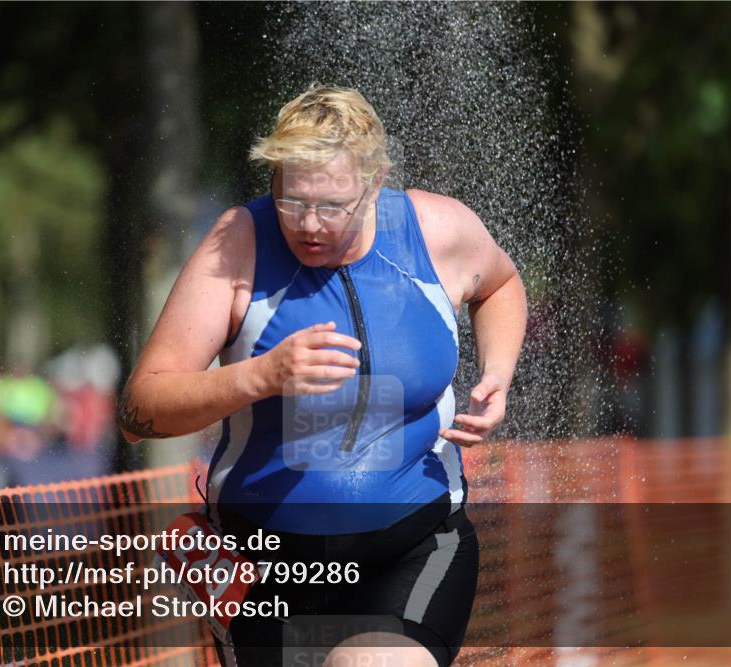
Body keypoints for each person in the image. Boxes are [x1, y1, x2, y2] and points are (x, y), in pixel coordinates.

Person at [119, 84, 527, 667]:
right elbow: (140, 411)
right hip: (268, 567)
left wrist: (499, 374)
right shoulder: (239, 245)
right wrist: (259, 376)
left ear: (376, 181)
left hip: (413, 545)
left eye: (333, 205)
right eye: (291, 201)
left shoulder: (435, 230)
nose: (309, 225)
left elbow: (500, 284)